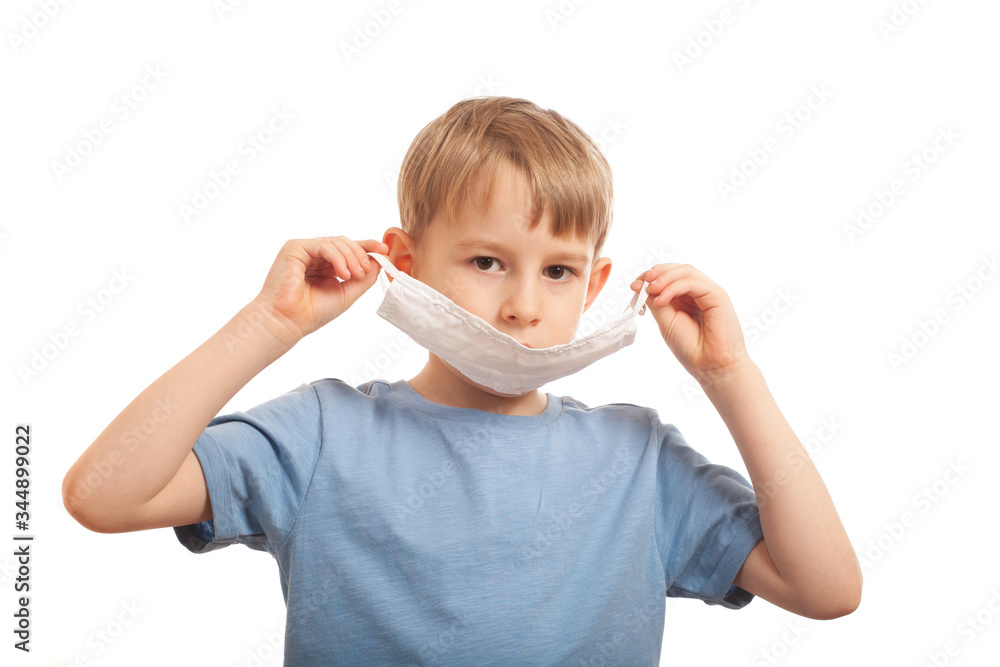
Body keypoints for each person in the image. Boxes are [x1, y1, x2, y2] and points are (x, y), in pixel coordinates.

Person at [62, 96, 861, 665]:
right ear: (406, 264)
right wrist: (268, 324)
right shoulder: (320, 434)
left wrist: (730, 374)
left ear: (593, 285)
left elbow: (826, 588)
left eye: (558, 271)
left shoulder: (639, 460)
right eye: (486, 261)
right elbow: (104, 494)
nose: (522, 306)